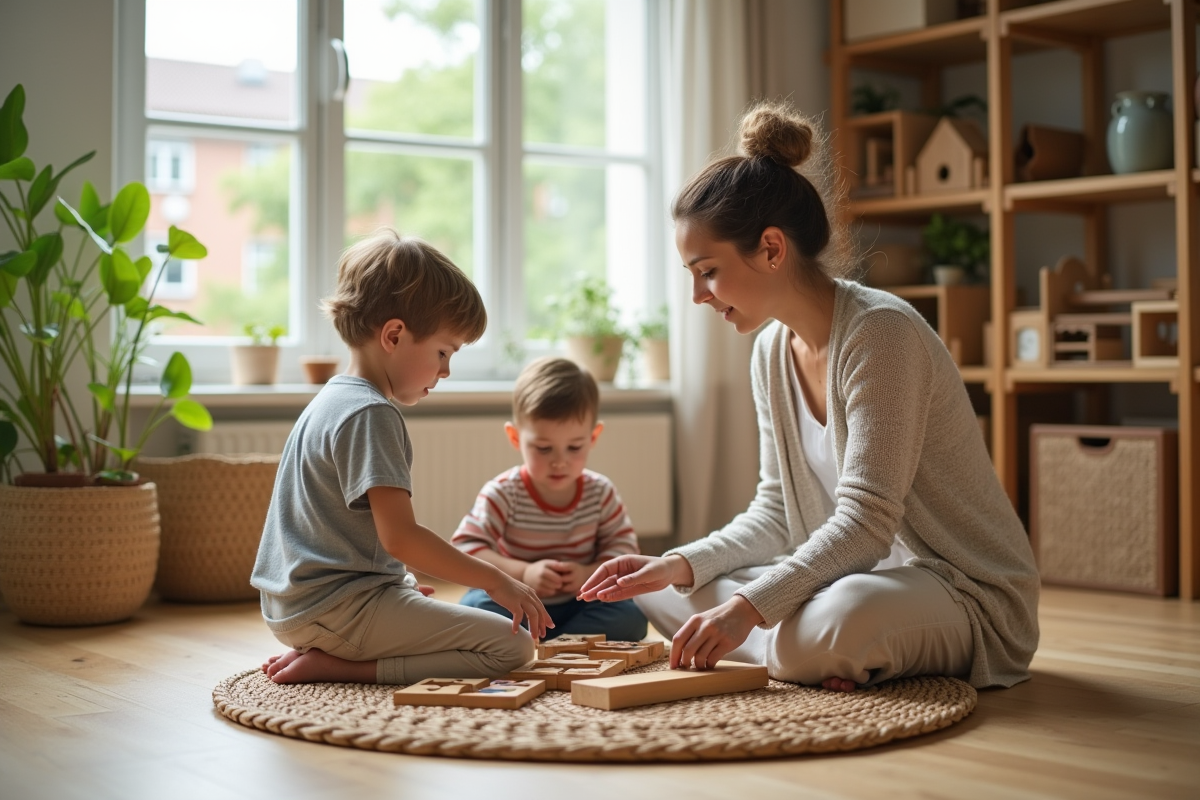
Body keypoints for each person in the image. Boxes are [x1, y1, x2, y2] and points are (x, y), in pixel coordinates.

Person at [579, 101, 1039, 692]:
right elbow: (775, 511)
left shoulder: (881, 334)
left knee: (833, 616)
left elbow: (866, 527)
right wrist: (679, 564)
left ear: (771, 249)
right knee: (671, 596)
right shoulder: (770, 351)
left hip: (963, 591)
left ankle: (804, 644)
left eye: (708, 271)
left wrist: (747, 609)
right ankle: (805, 649)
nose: (698, 295)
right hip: (861, 580)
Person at [253, 229, 552, 685]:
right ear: (394, 335)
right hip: (337, 609)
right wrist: (496, 579)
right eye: (443, 352)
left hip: (290, 607)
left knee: (427, 601)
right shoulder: (372, 413)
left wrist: (398, 590)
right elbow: (402, 538)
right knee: (512, 646)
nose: (446, 370)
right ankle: (343, 666)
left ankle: (351, 640)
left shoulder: (330, 400)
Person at [452, 357, 648, 642]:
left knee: (631, 618)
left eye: (574, 447)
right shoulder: (504, 492)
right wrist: (524, 573)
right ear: (516, 438)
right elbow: (466, 549)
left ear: (593, 437)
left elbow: (623, 550)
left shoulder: (600, 492)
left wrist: (587, 573)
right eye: (544, 448)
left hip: (581, 604)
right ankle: (550, 641)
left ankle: (553, 643)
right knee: (474, 611)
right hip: (515, 602)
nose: (560, 461)